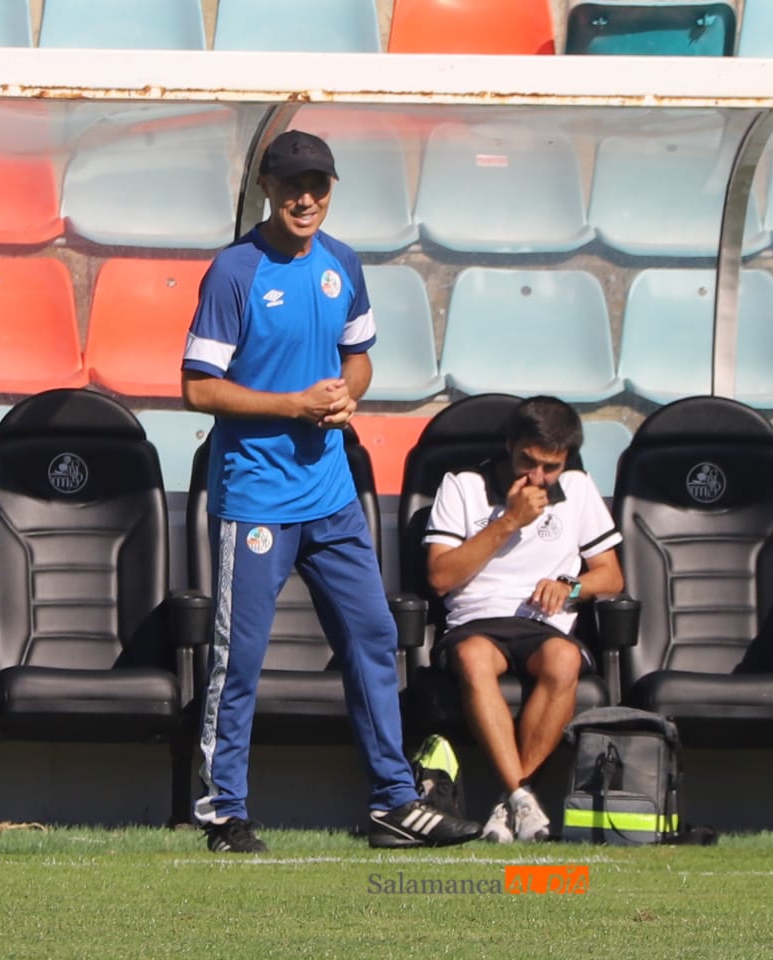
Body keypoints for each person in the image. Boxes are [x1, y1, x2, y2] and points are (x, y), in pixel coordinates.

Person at [180, 129, 480, 853]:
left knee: (373, 636)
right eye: (292, 186)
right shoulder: (234, 272)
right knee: (238, 659)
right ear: (267, 189)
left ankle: (393, 802)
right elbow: (197, 388)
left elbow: (359, 358)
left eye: (317, 185)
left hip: (333, 494)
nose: (305, 198)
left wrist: (347, 393)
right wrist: (293, 405)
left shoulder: (342, 262)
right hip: (256, 497)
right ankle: (223, 813)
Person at [424, 396, 624, 843]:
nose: (536, 477)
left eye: (550, 467)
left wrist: (571, 586)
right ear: (509, 446)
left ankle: (510, 800)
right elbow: (440, 576)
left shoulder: (578, 488)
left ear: (566, 460)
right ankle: (521, 796)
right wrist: (509, 521)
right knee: (474, 658)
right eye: (526, 461)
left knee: (564, 661)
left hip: (544, 623)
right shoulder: (463, 485)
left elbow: (611, 576)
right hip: (476, 619)